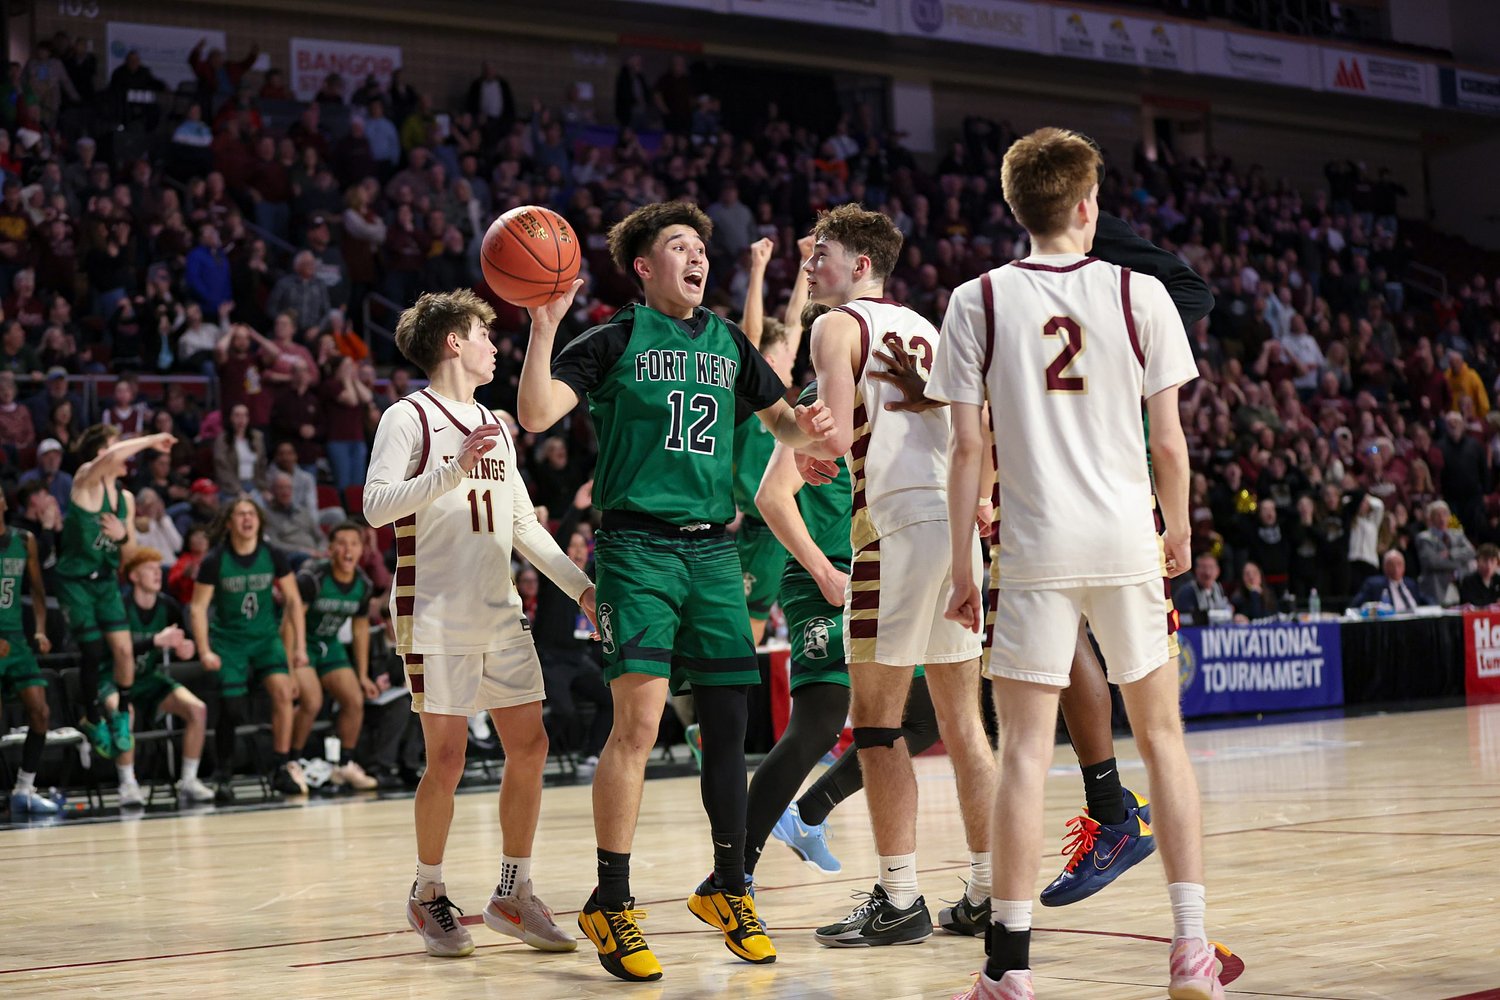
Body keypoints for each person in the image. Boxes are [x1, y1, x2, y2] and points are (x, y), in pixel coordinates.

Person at [928, 127, 1223, 997]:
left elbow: (964, 452)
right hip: (1127, 534)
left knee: (1022, 751)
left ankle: (1008, 970)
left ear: (1018, 209)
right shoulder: (1143, 294)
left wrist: (960, 566)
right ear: (1088, 206)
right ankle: (1193, 952)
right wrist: (1181, 529)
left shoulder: (976, 298)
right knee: (1163, 739)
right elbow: (1167, 443)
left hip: (1034, 540)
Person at [517, 201, 833, 982]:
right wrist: (542, 325)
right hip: (635, 550)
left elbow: (779, 421)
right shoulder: (617, 336)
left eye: (701, 247)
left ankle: (731, 886)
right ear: (645, 268)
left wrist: (809, 432)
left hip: (715, 556)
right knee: (639, 720)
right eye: (678, 247)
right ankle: (612, 901)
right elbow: (533, 413)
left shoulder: (727, 340)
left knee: (730, 726)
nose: (697, 257)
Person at [365, 288, 596, 960]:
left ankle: (512, 892)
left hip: (500, 610)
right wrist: (451, 469)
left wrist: (582, 590)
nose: (496, 344)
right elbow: (376, 507)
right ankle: (428, 891)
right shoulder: (407, 417)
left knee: (531, 748)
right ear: (452, 342)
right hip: (434, 608)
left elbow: (523, 522)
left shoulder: (496, 418)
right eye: (484, 334)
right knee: (448, 759)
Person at [801, 203, 997, 947]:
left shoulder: (835, 326)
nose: (812, 264)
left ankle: (899, 897)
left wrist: (793, 433)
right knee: (963, 726)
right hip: (950, 531)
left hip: (888, 529)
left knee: (878, 727)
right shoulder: (926, 327)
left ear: (860, 267)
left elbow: (828, 425)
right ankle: (984, 892)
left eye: (823, 254)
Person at [747, 376, 942, 881]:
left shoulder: (894, 396)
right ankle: (730, 875)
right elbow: (771, 497)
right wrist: (823, 572)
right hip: (824, 578)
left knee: (923, 717)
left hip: (879, 577)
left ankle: (807, 814)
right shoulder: (821, 402)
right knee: (819, 721)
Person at [56, 426, 176, 761]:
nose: (127, 455)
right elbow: (112, 455)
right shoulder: (85, 479)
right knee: (93, 650)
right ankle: (92, 719)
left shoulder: (124, 499)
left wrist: (124, 535)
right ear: (100, 455)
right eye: (118, 447)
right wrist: (152, 440)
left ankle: (121, 713)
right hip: (75, 581)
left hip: (106, 580)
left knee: (123, 651)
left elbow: (129, 556)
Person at [190, 496, 308, 801]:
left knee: (284, 693)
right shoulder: (215, 560)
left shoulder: (273, 554)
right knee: (232, 709)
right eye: (240, 514)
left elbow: (294, 600)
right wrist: (204, 650)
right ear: (229, 523)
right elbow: (198, 608)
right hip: (229, 643)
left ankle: (281, 767)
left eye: (251, 513)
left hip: (266, 639)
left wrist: (300, 647)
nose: (247, 519)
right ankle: (224, 774)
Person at [111, 547, 213, 806]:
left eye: (159, 569)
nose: (158, 573)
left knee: (197, 709)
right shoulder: (119, 604)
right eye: (150, 569)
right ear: (134, 576)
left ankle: (188, 780)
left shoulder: (168, 605)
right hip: (112, 680)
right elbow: (118, 648)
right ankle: (128, 784)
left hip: (148, 678)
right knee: (126, 715)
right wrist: (156, 640)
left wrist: (185, 648)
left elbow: (182, 642)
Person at [290, 522, 379, 791]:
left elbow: (361, 630)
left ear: (362, 550)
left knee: (354, 699)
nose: (347, 549)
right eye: (341, 543)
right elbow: (289, 622)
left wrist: (363, 675)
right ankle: (291, 761)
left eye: (354, 543)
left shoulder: (363, 584)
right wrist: (291, 660)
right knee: (312, 700)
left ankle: (345, 763)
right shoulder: (313, 578)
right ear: (330, 550)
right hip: (300, 642)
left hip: (329, 644)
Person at [0, 488, 57, 813]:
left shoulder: (24, 541)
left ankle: (24, 788)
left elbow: (37, 591)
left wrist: (39, 629)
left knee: (41, 712)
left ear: (5, 503)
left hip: (17, 640)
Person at [1414, 500, 1476, 607]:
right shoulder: (1424, 538)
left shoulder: (1458, 535)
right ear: (1431, 518)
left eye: (1445, 514)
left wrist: (1451, 554)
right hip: (1435, 589)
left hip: (1458, 586)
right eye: (1437, 515)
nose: (1442, 518)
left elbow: (1471, 552)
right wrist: (1460, 564)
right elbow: (1433, 562)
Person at [1351, 549, 1433, 610]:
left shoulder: (1410, 584)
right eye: (1391, 565)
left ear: (1404, 567)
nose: (1396, 569)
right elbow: (1355, 606)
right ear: (1384, 567)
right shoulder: (1374, 585)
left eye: (1399, 564)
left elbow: (1425, 599)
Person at [1174, 552, 1234, 627]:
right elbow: (1182, 618)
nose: (1207, 573)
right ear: (1196, 570)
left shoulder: (1220, 589)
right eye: (1203, 567)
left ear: (1218, 571)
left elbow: (1229, 611)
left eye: (1211, 567)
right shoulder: (1186, 592)